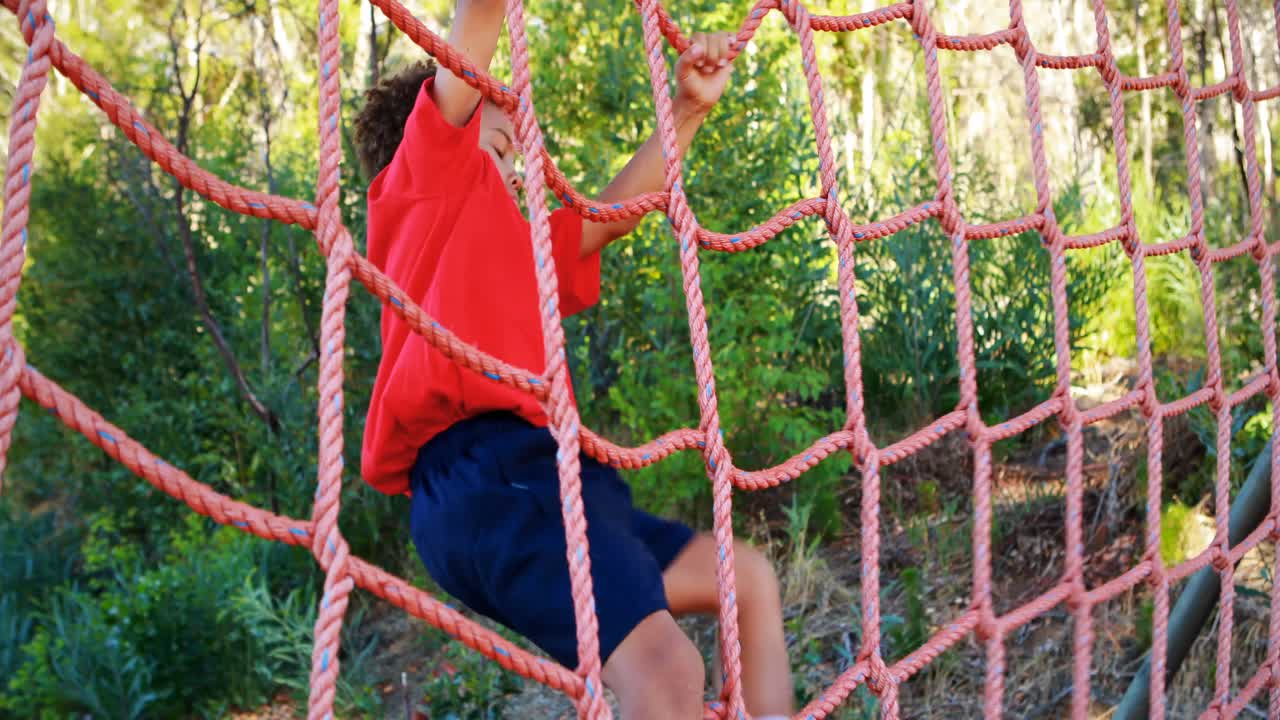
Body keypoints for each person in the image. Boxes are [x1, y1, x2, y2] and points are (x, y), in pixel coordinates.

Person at [355, 1, 793, 716]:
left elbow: (611, 213)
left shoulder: (516, 248)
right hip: (485, 481)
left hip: (548, 473)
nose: (519, 170)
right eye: (499, 150)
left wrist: (688, 107)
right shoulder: (424, 186)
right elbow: (478, 29)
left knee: (747, 580)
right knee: (665, 671)